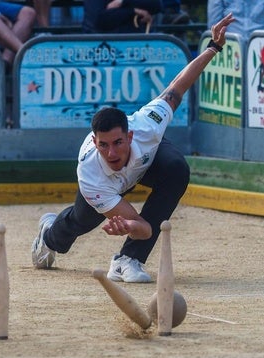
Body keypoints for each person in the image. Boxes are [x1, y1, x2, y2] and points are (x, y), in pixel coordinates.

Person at [31, 13, 235, 283]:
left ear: (129, 136)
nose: (112, 153)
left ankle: (127, 260)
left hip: (144, 162)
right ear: (95, 143)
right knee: (81, 222)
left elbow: (178, 86)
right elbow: (144, 228)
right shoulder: (91, 174)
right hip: (106, 186)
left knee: (176, 168)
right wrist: (130, 226)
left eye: (117, 143)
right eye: (103, 145)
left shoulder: (147, 125)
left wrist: (214, 46)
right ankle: (48, 235)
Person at [83, 0, 163, 34]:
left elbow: (156, 5)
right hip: (104, 45)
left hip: (137, 43)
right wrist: (133, 11)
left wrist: (122, 1)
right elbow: (101, 20)